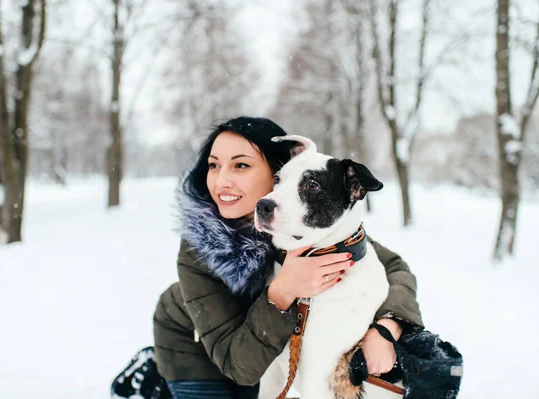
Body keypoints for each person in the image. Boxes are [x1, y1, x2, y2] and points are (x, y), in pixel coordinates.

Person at [112, 116, 423, 399]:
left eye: (241, 165)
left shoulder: (301, 227)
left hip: (261, 349)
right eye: (213, 165)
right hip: (196, 348)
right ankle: (151, 380)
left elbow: (393, 267)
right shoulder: (200, 245)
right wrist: (284, 290)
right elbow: (239, 367)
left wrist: (387, 326)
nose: (222, 181)